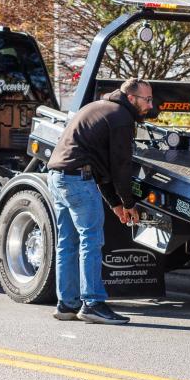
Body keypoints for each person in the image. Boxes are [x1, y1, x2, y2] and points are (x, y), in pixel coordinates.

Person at [46, 78, 154, 324]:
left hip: (58, 176)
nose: (150, 104)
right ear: (130, 98)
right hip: (77, 180)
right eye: (146, 99)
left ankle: (66, 304)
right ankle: (92, 303)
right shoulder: (121, 118)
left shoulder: (98, 107)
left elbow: (100, 166)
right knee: (91, 241)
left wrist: (116, 204)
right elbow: (120, 167)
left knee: (67, 243)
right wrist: (128, 203)